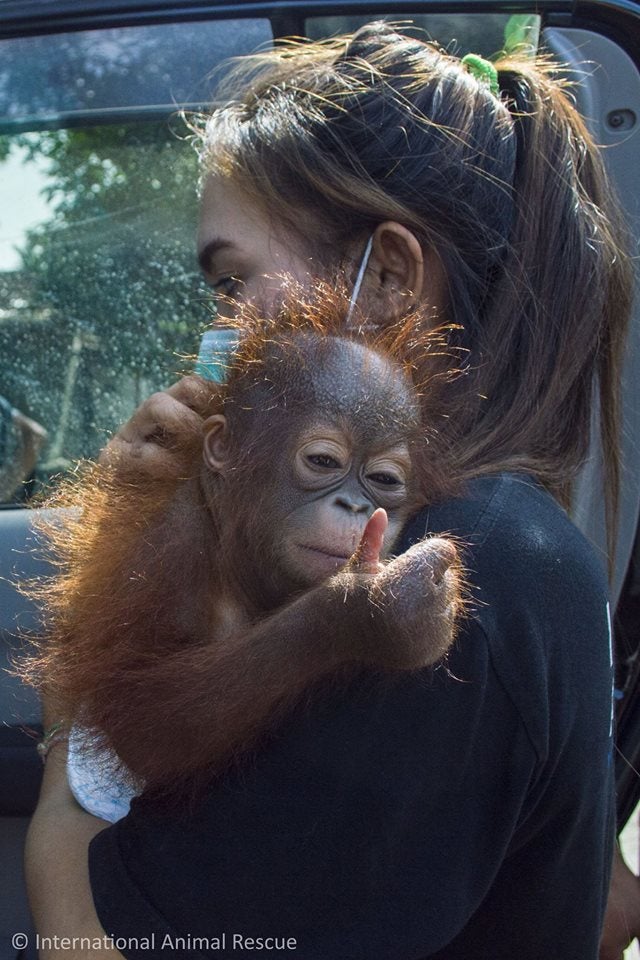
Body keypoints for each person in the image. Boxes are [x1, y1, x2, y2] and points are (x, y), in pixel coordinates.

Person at [25, 23, 633, 959]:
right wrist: (131, 534)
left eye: (235, 283)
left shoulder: (447, 578)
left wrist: (64, 792)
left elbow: (90, 940)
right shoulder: (454, 529)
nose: (219, 336)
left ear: (385, 276)